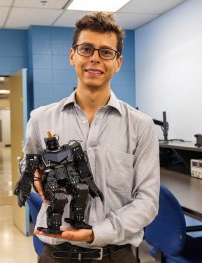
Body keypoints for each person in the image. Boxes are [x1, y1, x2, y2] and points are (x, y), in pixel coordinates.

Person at [23, 11, 160, 263]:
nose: (95, 59)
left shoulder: (141, 126)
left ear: (118, 63)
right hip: (56, 254)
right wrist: (33, 175)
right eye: (86, 49)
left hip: (115, 255)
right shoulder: (40, 119)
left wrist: (96, 233)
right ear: (72, 55)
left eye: (106, 52)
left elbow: (147, 202)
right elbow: (29, 165)